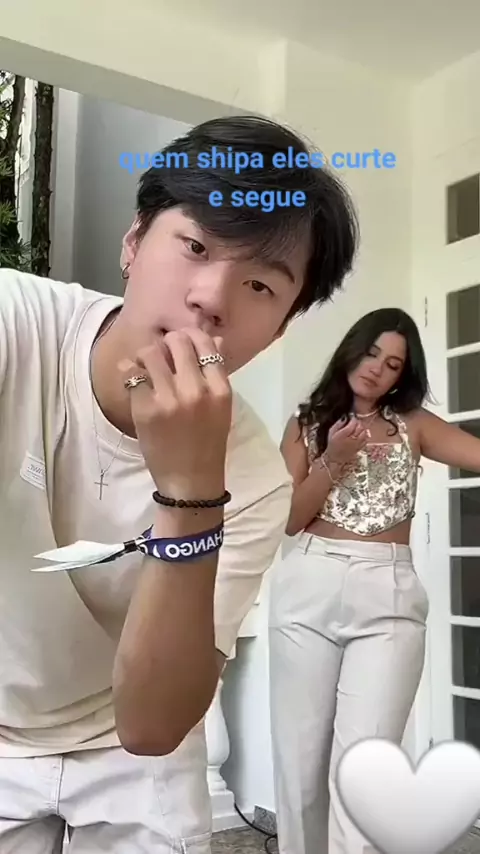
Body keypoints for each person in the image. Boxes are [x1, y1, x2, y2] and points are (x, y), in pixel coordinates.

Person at [0, 114, 358, 853]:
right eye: (195, 246)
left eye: (259, 283)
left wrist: (191, 487)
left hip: (124, 741)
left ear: (278, 330)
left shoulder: (254, 477)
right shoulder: (15, 326)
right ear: (133, 243)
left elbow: (152, 725)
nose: (211, 298)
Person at [269, 306, 480, 854]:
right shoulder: (306, 424)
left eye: (392, 364)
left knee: (366, 767)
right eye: (371, 353)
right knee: (300, 760)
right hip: (311, 579)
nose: (377, 369)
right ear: (351, 349)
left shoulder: (413, 425)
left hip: (388, 590)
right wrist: (334, 459)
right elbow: (289, 519)